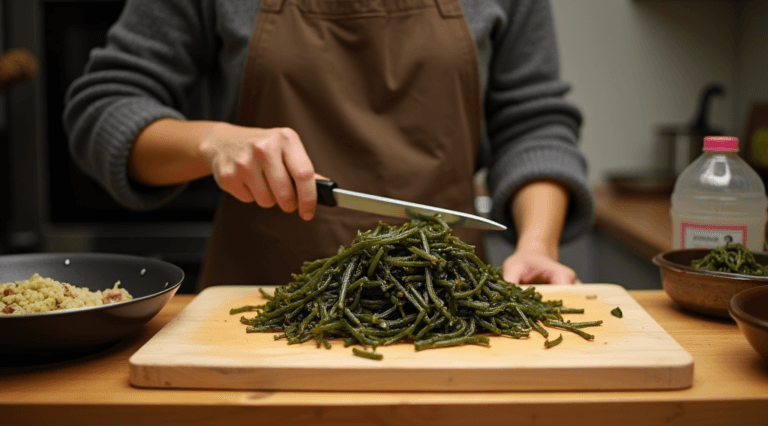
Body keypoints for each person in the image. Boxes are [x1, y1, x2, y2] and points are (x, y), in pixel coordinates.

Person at [64, 0, 594, 291]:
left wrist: (536, 247)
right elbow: (105, 106)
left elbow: (534, 123)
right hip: (259, 313)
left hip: (450, 302)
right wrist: (212, 141)